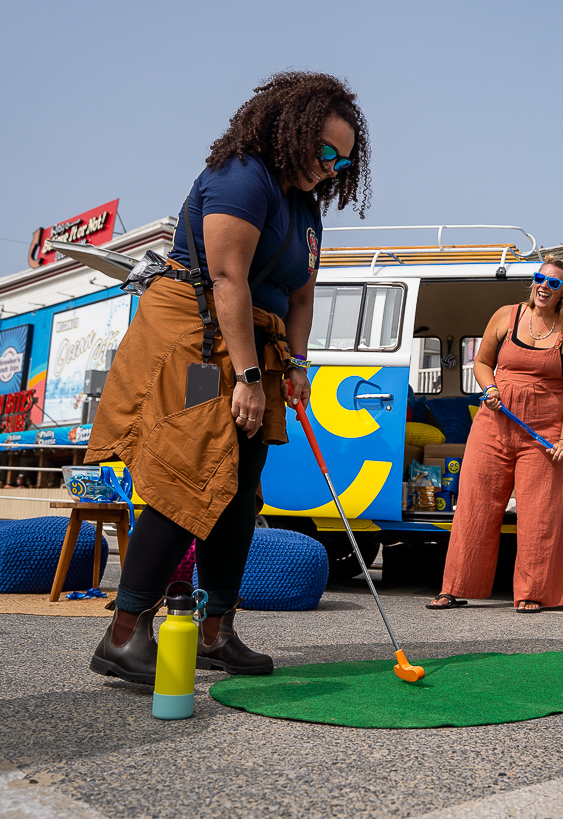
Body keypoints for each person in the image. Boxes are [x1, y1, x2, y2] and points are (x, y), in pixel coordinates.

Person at [87, 71, 372, 684]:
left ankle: (216, 630)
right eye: (325, 151)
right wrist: (246, 375)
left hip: (255, 346)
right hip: (195, 342)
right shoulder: (243, 177)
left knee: (240, 492)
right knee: (190, 473)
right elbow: (226, 281)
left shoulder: (306, 209)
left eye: (344, 161)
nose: (333, 167)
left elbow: (300, 297)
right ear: (289, 132)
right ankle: (124, 632)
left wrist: (296, 366)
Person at [428, 256, 563, 613]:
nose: (543, 287)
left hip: (543, 434)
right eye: (539, 279)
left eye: (553, 283)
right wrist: (488, 387)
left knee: (540, 515)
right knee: (474, 506)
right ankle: (454, 587)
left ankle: (531, 592)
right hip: (493, 425)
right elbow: (483, 363)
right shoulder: (507, 315)